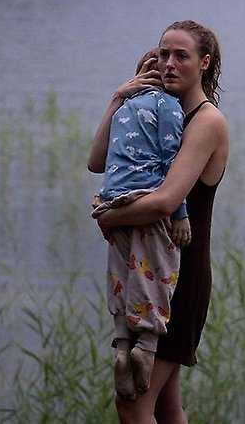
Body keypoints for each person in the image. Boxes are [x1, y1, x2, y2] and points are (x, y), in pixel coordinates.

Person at [88, 20, 229, 424]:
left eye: (180, 56)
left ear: (204, 63)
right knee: (167, 408)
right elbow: (97, 162)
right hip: (147, 271)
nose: (169, 63)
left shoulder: (206, 122)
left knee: (132, 405)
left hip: (178, 280)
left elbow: (166, 201)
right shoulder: (152, 111)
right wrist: (119, 98)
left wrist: (109, 215)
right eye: (163, 53)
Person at [89, 49, 192, 401]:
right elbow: (170, 163)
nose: (170, 66)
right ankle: (145, 347)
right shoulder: (170, 107)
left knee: (122, 272)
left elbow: (96, 163)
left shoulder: (124, 109)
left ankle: (121, 343)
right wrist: (180, 214)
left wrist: (119, 96)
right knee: (155, 273)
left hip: (112, 197)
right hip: (145, 201)